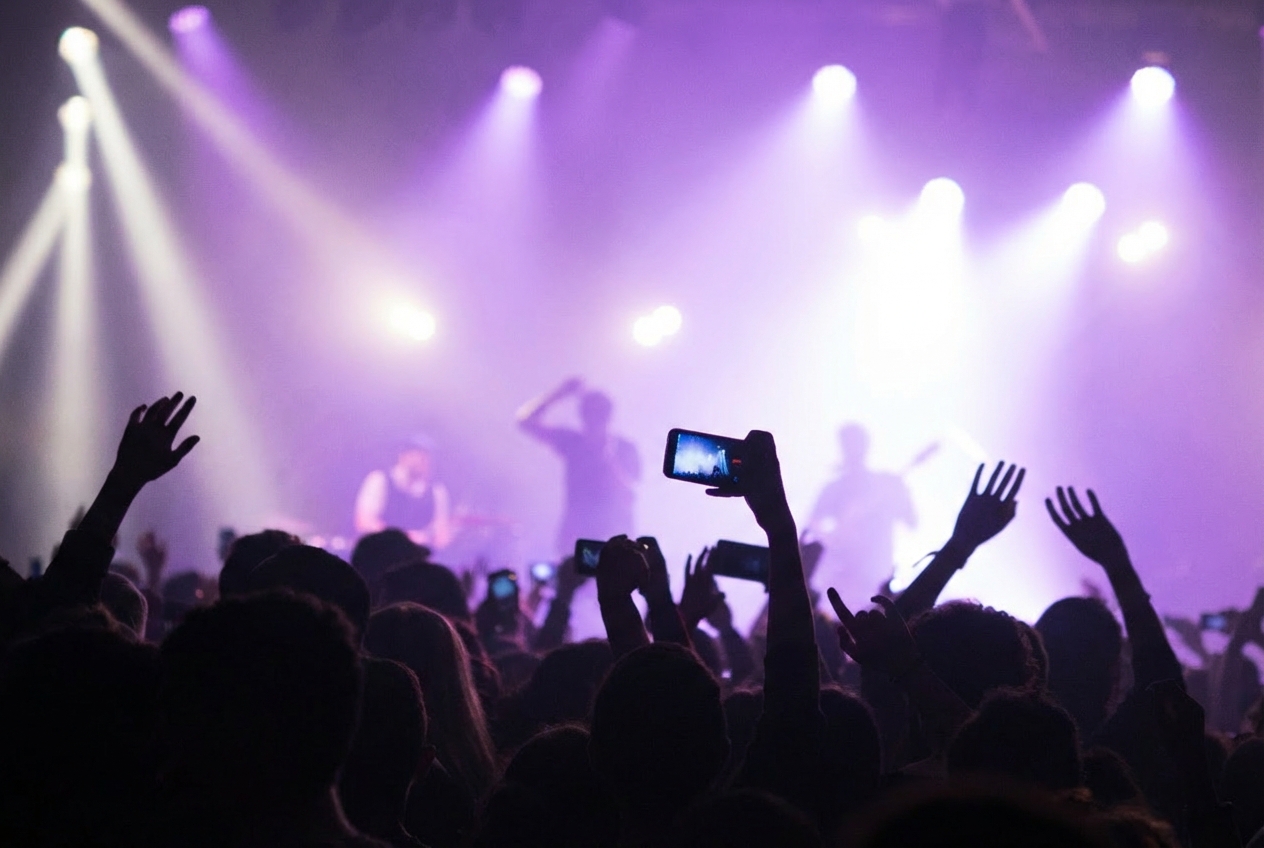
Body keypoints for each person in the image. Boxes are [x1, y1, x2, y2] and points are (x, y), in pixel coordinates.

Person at [517, 378, 640, 552]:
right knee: (571, 575)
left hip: (614, 535)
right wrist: (559, 394)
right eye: (588, 415)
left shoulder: (625, 448)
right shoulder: (574, 442)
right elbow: (525, 422)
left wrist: (607, 457)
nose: (592, 422)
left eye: (597, 415)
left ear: (608, 417)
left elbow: (629, 495)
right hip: (575, 534)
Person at [808, 424, 916, 598]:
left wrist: (900, 494)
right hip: (841, 571)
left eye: (855, 444)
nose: (852, 450)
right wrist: (833, 537)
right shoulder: (834, 488)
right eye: (847, 444)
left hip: (876, 574)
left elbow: (911, 520)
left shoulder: (886, 483)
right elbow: (813, 523)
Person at [355, 439, 453, 550]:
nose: (424, 461)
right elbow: (364, 522)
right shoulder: (380, 480)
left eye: (427, 457)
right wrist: (405, 538)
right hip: (380, 553)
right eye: (419, 455)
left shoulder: (436, 492)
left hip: (417, 559)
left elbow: (442, 533)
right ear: (403, 456)